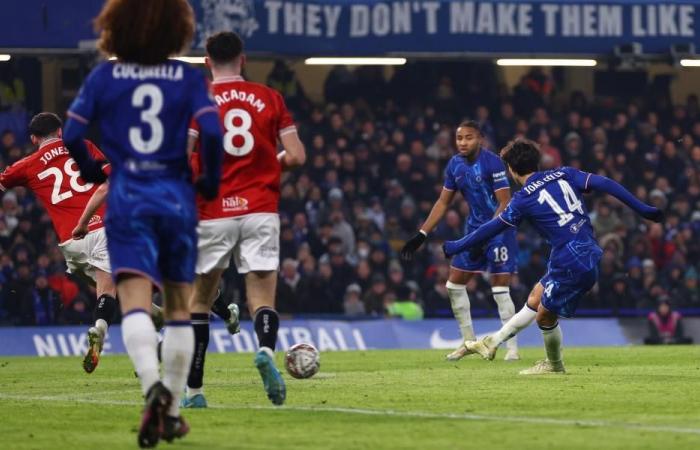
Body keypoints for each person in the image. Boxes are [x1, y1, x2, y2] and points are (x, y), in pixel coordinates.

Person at [62, 0, 222, 446]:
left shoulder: (104, 77)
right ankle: (169, 405)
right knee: (177, 306)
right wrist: (207, 177)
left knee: (133, 299)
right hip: (174, 197)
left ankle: (150, 385)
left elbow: (73, 135)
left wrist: (94, 172)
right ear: (177, 29)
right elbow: (211, 132)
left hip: (128, 198)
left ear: (116, 29)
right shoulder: (188, 78)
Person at [444, 138, 663, 374]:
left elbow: (491, 228)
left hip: (570, 258)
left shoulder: (522, 199)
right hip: (584, 249)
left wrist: (457, 246)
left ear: (511, 169)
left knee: (544, 318)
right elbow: (606, 183)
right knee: (536, 297)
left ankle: (554, 365)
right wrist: (643, 209)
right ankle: (491, 343)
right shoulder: (564, 173)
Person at [182, 31, 305, 408]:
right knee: (261, 298)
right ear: (243, 59)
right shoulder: (270, 98)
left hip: (214, 211)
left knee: (200, 300)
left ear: (206, 61)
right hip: (260, 209)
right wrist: (272, 163)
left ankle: (195, 392)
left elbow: (181, 158)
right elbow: (296, 156)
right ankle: (266, 351)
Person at [0, 112, 119, 373]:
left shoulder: (27, 165)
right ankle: (100, 327)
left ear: (33, 139)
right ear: (61, 131)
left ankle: (153, 314)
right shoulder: (84, 146)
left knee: (108, 285)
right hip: (100, 228)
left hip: (70, 245)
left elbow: (3, 181)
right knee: (108, 292)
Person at [400, 121, 520, 361]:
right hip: (473, 230)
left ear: (480, 139)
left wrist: (488, 233)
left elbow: (505, 203)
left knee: (500, 289)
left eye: (469, 138)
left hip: (499, 231)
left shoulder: (493, 162)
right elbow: (443, 203)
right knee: (453, 286)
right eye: (459, 138)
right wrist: (422, 234)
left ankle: (512, 350)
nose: (463, 142)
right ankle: (469, 343)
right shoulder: (455, 165)